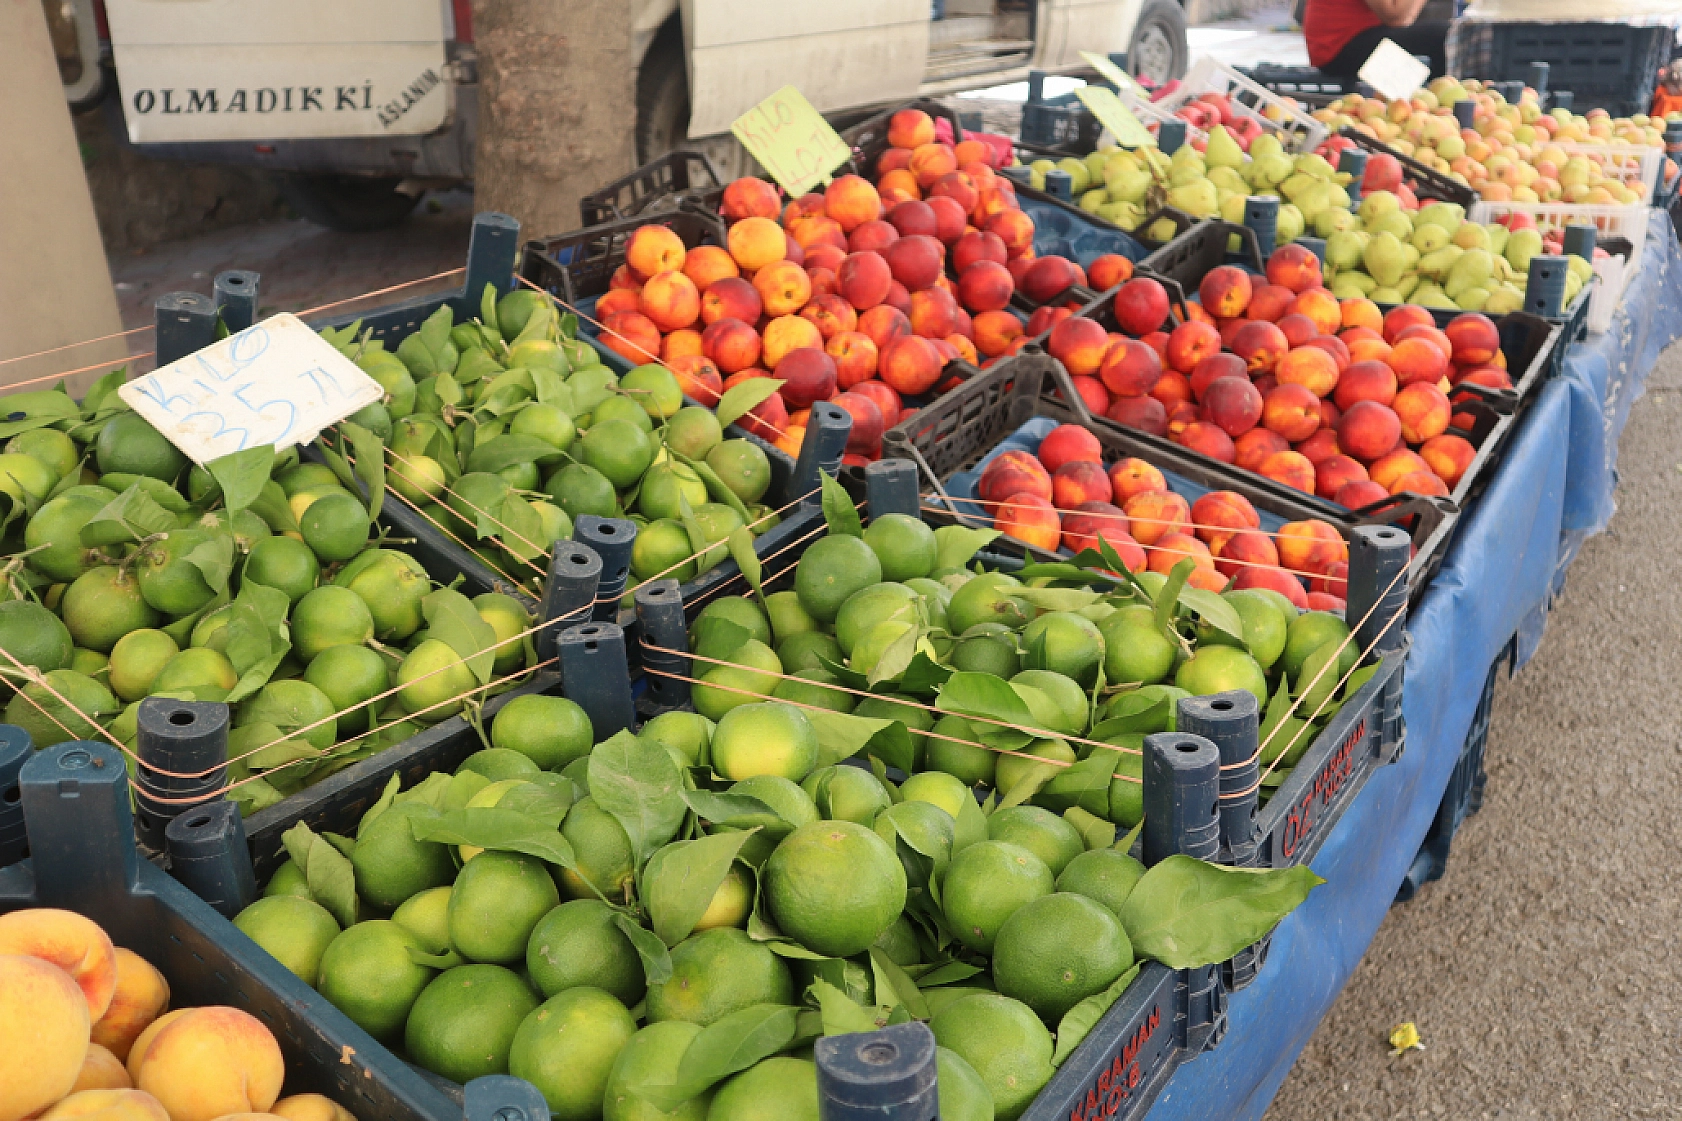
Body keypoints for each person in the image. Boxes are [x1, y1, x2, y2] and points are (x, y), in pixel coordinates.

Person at [1304, 0, 1450, 80]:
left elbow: (1404, 19)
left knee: (1446, 34)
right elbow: (1394, 16)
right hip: (1339, 47)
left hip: (1358, 38)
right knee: (1443, 36)